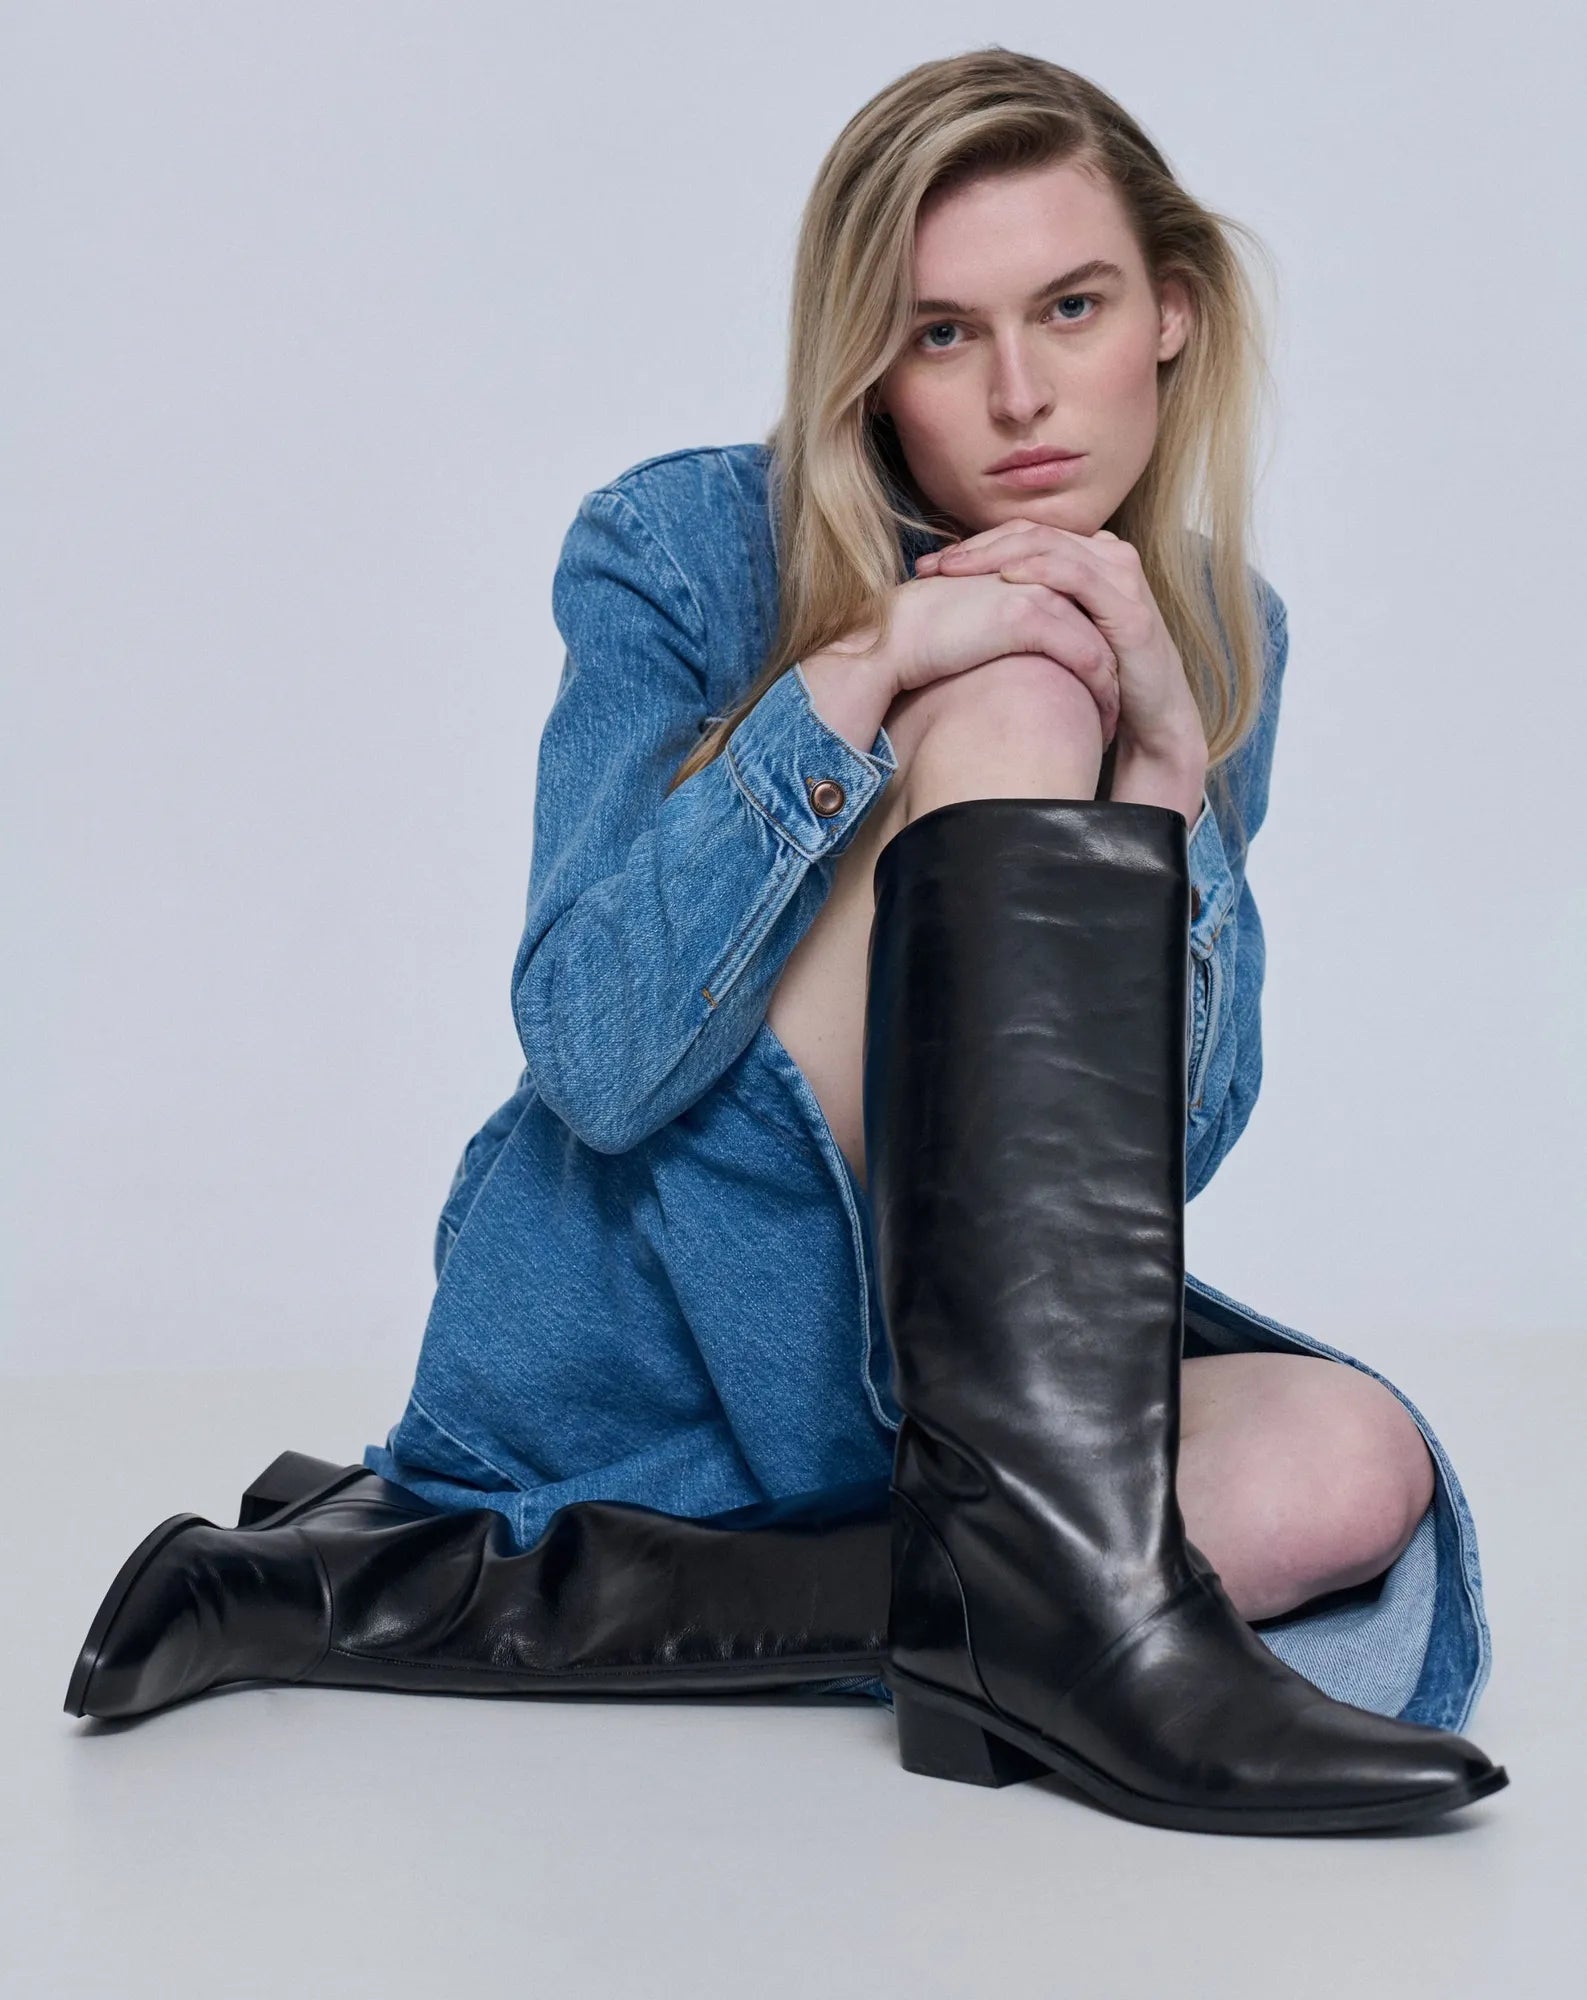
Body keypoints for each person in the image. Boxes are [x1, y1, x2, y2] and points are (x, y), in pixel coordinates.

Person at [65, 48, 1506, 1832]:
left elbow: (1148, 1162)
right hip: (643, 1338)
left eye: (1071, 307)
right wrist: (862, 675)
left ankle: (433, 1592)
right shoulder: (677, 548)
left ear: (1172, 314)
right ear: (868, 364)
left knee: (1353, 1466)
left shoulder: (1211, 630)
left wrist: (1168, 773)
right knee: (1018, 691)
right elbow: (592, 1061)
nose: (1021, 394)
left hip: (930, 1404)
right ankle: (1049, 1621)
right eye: (942, 333)